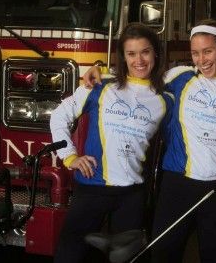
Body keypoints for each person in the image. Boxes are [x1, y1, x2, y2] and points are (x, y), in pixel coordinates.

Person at [83, 19, 216, 262]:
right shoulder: (179, 77)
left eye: (208, 51)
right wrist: (101, 70)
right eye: (195, 53)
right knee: (163, 255)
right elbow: (137, 79)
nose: (201, 60)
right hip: (176, 186)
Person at [50, 23, 173, 263]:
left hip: (132, 195)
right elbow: (59, 116)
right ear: (123, 57)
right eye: (131, 53)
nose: (139, 60)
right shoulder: (100, 86)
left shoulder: (166, 99)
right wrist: (70, 156)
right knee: (69, 256)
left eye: (145, 52)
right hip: (92, 188)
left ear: (155, 54)